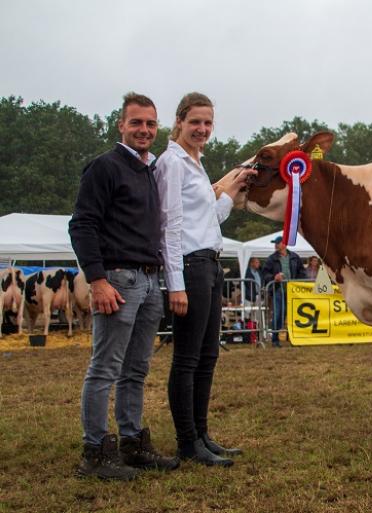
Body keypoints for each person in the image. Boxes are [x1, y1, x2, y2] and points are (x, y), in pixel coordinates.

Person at [69, 92, 179, 480]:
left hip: (149, 280)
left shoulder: (148, 170)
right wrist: (97, 280)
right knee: (104, 368)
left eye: (150, 123)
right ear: (121, 125)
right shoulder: (105, 167)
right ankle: (95, 452)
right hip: (118, 279)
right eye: (136, 122)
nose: (144, 130)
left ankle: (131, 443)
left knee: (136, 369)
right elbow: (81, 224)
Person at [155, 92, 251, 467]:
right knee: (187, 357)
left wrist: (232, 192)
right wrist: (175, 283)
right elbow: (170, 225)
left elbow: (207, 219)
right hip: (190, 267)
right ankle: (186, 442)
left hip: (210, 264)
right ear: (179, 121)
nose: (202, 129)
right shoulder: (173, 163)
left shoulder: (196, 163)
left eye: (208, 123)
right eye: (195, 121)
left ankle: (201, 433)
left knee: (208, 355)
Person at [262, 236, 307, 347]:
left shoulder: (295, 257)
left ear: (284, 244)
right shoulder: (271, 259)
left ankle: (294, 339)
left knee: (294, 316)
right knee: (278, 315)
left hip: (293, 291)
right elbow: (265, 274)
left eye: (277, 243)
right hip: (278, 290)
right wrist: (274, 277)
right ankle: (275, 340)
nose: (276, 245)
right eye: (275, 243)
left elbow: (302, 272)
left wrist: (299, 283)